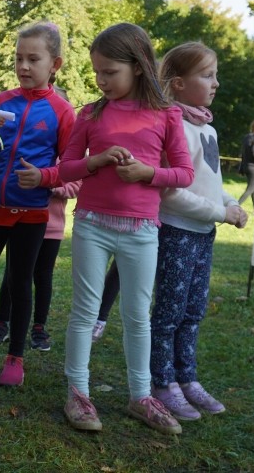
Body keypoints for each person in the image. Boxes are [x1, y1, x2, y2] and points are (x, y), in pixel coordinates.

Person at [58, 23, 194, 435]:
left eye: (109, 72)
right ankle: (78, 393)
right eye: (97, 72)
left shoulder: (168, 114)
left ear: (137, 66)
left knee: (137, 316)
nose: (101, 80)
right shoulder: (90, 112)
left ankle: (140, 396)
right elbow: (66, 166)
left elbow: (184, 173)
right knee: (85, 312)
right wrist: (95, 162)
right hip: (92, 225)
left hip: (141, 231)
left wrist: (148, 173)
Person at [0, 22, 75, 387]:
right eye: (19, 58)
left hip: (33, 215)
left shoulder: (62, 112)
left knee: (20, 283)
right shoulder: (1, 102)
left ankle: (15, 357)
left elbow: (71, 170)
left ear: (55, 64)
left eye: (33, 59)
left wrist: (44, 178)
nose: (23, 66)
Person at [150, 42, 247, 420]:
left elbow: (210, 178)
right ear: (177, 83)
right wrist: (219, 213)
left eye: (215, 75)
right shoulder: (172, 125)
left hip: (204, 233)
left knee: (193, 310)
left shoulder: (208, 127)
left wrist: (230, 202)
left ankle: (187, 379)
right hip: (177, 232)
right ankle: (162, 382)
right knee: (169, 313)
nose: (216, 83)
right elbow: (171, 193)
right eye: (207, 75)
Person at [0, 85, 82, 353]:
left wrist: (47, 184)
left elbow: (74, 182)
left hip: (50, 226)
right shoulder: (22, 125)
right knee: (14, 274)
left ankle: (39, 327)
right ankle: (2, 322)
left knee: (42, 276)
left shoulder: (66, 139)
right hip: (20, 218)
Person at [237, 119, 254, 215]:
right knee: (250, 189)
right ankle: (236, 205)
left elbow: (244, 153)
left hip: (246, 165)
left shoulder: (247, 137)